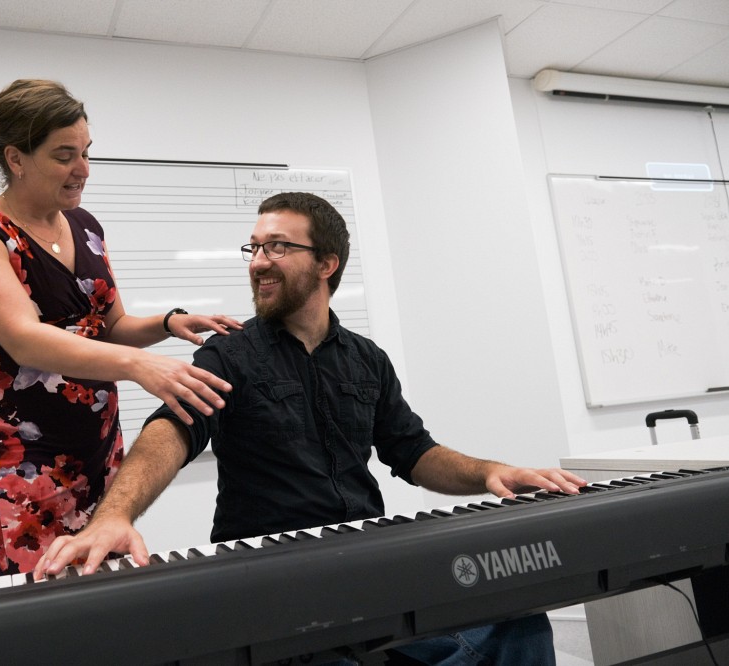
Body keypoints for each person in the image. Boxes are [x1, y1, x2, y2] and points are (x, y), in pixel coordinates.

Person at [34, 191, 588, 664]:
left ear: (326, 263)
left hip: (370, 568)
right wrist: (114, 516)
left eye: (278, 247)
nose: (258, 261)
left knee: (519, 623)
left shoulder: (367, 359)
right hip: (272, 584)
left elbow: (414, 451)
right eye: (254, 247)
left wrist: (490, 471)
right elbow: (171, 431)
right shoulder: (230, 355)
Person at [0, 79, 242, 576]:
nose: (83, 169)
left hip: (99, 445)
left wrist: (168, 323)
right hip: (23, 453)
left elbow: (110, 325)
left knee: (102, 582)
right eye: (64, 156)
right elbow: (25, 340)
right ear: (16, 158)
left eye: (86, 152)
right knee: (45, 596)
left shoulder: (84, 225)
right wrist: (139, 365)